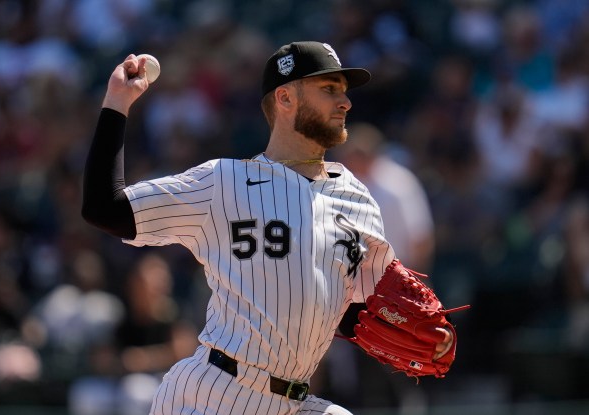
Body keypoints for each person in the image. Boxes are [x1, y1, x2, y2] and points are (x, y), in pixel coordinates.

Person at [82, 41, 454, 415]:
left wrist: (416, 331)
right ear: (285, 98)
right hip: (214, 395)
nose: (345, 102)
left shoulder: (357, 199)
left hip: (293, 401)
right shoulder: (223, 182)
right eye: (329, 90)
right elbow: (105, 208)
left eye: (343, 91)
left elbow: (347, 306)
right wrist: (117, 102)